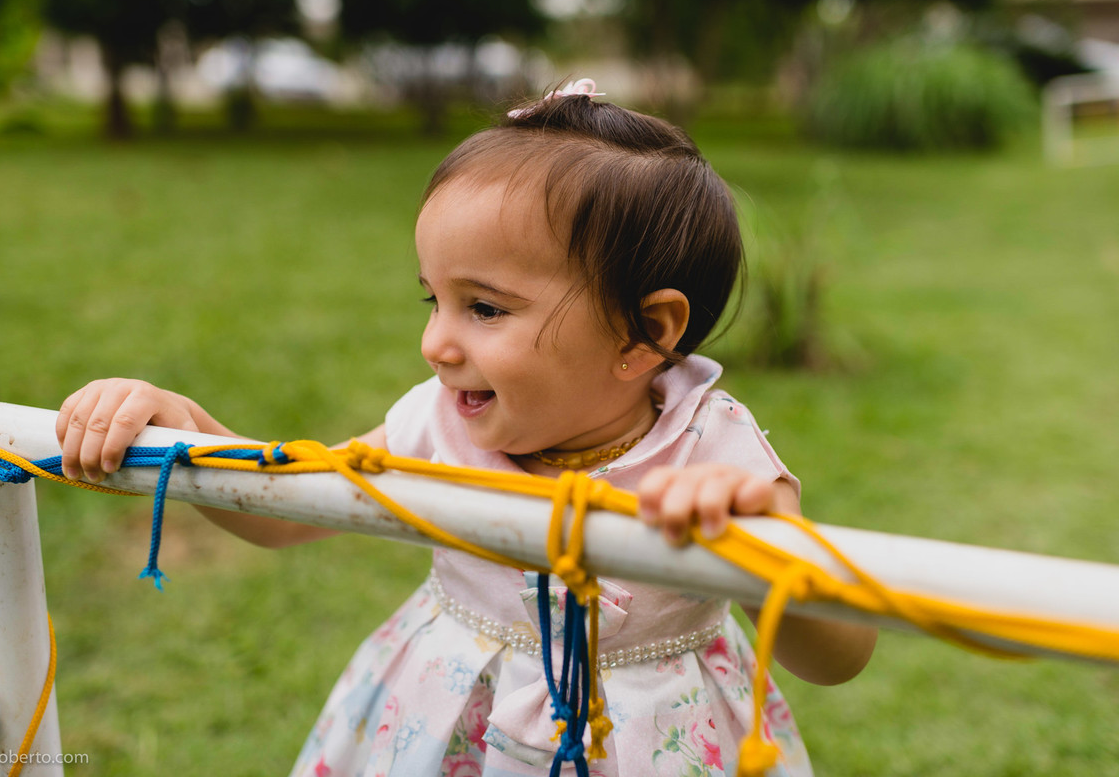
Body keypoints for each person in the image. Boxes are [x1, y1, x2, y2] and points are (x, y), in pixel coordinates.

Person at [56, 80, 876, 777]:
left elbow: (837, 659)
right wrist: (179, 421)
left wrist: (765, 545)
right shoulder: (435, 426)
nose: (436, 344)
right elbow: (278, 509)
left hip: (652, 741)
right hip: (447, 724)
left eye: (483, 308)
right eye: (434, 299)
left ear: (643, 335)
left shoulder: (712, 450)